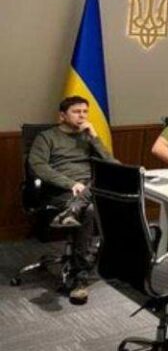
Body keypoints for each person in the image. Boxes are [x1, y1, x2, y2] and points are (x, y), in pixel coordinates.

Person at [28, 95, 116, 305]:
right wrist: (70, 184)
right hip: (61, 192)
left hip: (89, 188)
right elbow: (37, 166)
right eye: (77, 112)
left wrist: (95, 137)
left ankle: (74, 209)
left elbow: (113, 164)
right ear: (62, 116)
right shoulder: (46, 137)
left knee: (105, 184)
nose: (82, 116)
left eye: (85, 112)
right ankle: (80, 278)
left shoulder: (88, 137)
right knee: (90, 209)